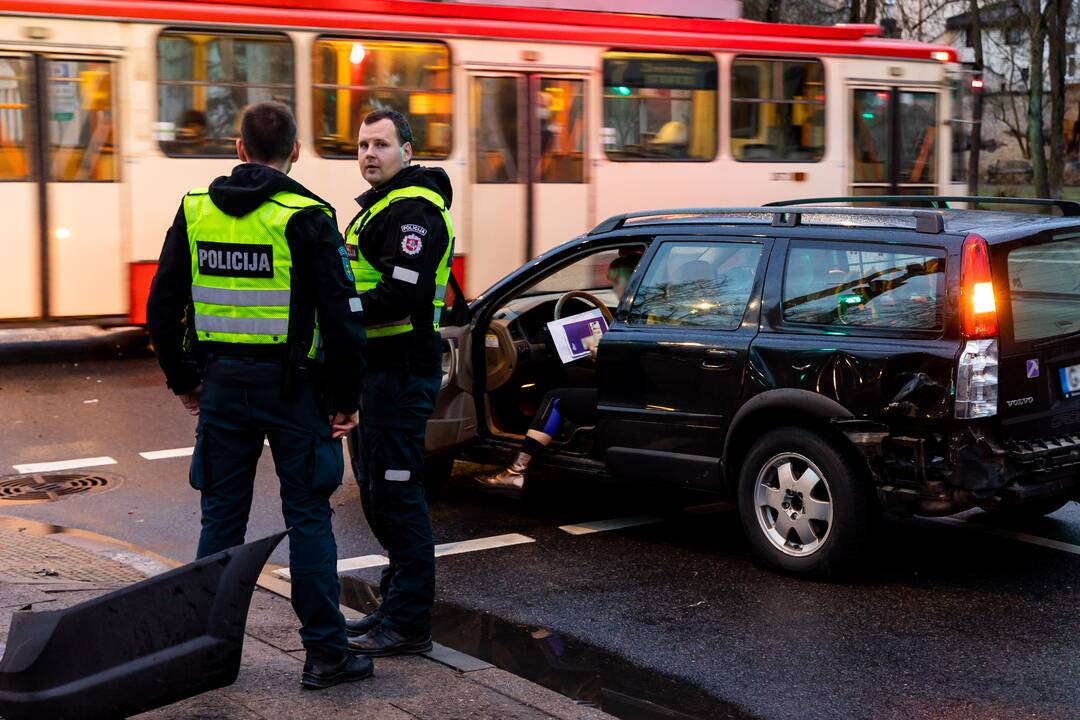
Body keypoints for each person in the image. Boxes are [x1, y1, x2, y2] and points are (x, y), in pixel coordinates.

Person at [146, 101, 372, 690]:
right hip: (296, 391)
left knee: (220, 518)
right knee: (308, 518)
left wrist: (185, 380)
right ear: (295, 152)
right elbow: (343, 319)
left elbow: (162, 308)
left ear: (239, 148)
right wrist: (345, 400)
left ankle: (198, 654)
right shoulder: (307, 216)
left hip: (221, 388)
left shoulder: (196, 212)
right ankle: (326, 654)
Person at [341, 109, 455, 657]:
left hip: (400, 374)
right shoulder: (385, 207)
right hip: (378, 374)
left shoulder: (415, 211)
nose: (369, 154)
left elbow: (402, 296)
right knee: (380, 494)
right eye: (362, 145)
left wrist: (337, 311)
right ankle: (395, 605)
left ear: (407, 150)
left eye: (381, 144)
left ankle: (409, 624)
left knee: (397, 495)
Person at [474, 252, 640, 497]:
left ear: (628, 282)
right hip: (633, 388)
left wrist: (599, 353)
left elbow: (630, 359)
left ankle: (517, 470)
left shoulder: (635, 315)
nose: (613, 288)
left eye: (615, 282)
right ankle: (561, 434)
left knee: (555, 398)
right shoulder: (647, 309)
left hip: (626, 393)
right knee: (571, 375)